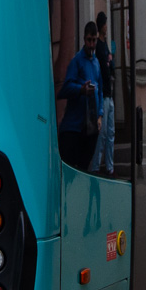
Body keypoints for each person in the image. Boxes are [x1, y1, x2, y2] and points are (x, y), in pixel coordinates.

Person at [57, 21, 103, 170]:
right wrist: (81, 90)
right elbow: (64, 90)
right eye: (89, 40)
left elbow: (100, 91)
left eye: (94, 40)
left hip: (89, 128)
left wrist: (100, 115)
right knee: (71, 168)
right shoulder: (77, 61)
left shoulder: (96, 63)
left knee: (84, 166)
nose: (91, 44)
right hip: (73, 128)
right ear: (84, 39)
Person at [88, 11, 116, 177]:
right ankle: (96, 165)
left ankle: (110, 166)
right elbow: (102, 71)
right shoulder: (98, 46)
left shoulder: (105, 45)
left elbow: (110, 67)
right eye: (105, 23)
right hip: (103, 95)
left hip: (109, 94)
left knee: (111, 133)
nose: (106, 26)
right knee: (103, 133)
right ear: (102, 25)